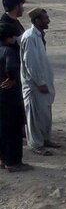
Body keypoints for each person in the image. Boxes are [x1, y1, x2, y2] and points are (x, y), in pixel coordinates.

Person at [20, 8, 58, 156]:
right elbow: (30, 63)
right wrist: (40, 82)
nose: (48, 21)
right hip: (35, 84)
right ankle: (36, 144)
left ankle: (46, 139)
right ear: (36, 21)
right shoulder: (30, 37)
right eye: (45, 18)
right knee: (34, 116)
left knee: (45, 114)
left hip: (43, 82)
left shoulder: (38, 35)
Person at [0, 24, 31, 172]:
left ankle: (2, 159)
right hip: (9, 98)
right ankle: (13, 162)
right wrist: (12, 79)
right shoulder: (9, 51)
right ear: (8, 38)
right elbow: (11, 67)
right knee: (13, 131)